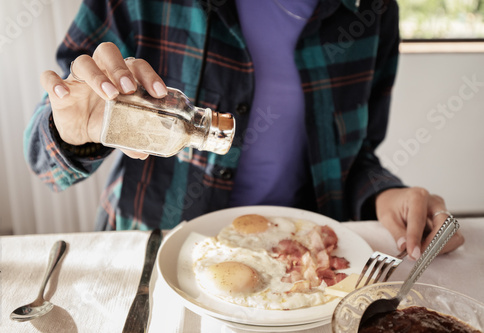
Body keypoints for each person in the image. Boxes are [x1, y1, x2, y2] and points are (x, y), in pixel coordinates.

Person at [24, 0, 463, 260]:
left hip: (302, 259)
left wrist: (384, 195)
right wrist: (72, 131)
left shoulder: (373, 10)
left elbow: (357, 156)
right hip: (155, 255)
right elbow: (43, 163)